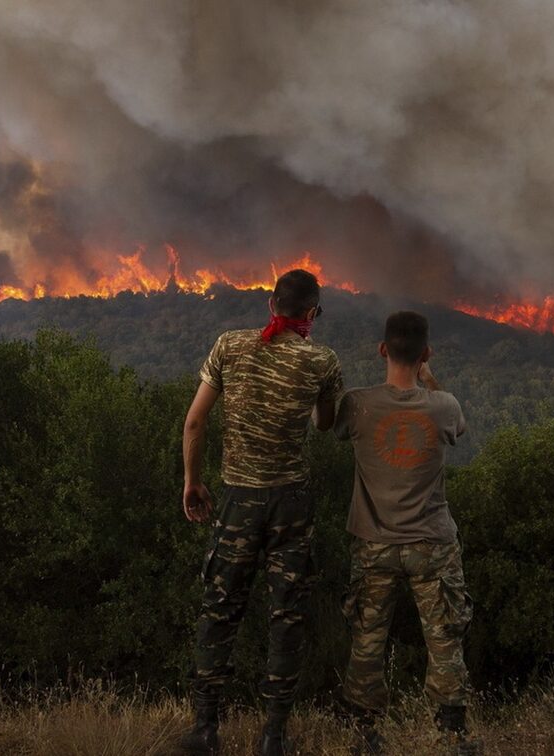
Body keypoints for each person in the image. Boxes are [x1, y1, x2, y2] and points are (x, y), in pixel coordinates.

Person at [179, 269, 343, 756]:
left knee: (219, 611)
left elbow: (194, 420)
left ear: (272, 305)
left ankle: (206, 730)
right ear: (311, 314)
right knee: (286, 616)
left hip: (237, 500)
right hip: (290, 503)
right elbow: (325, 423)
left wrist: (192, 481)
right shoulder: (322, 360)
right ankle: (274, 736)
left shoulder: (229, 346)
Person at [333, 311, 479, 755]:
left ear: (382, 350)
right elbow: (460, 428)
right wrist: (430, 381)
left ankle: (363, 735)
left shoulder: (356, 404)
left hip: (374, 544)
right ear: (426, 354)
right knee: (443, 637)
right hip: (431, 545)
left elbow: (331, 427)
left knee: (368, 636)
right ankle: (451, 736)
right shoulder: (444, 406)